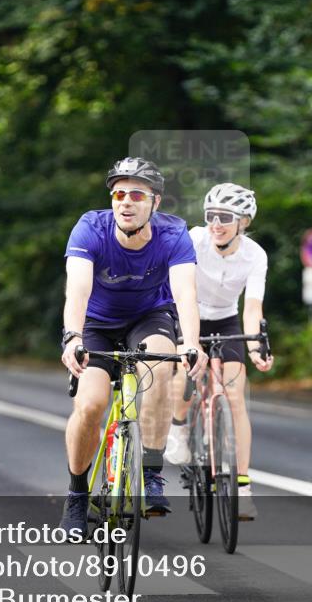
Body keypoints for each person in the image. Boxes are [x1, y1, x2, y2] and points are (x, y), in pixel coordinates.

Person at [59, 157, 208, 537]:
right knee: (91, 404)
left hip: (149, 316)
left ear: (155, 202)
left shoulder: (174, 234)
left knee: (161, 367)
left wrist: (191, 343)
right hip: (97, 324)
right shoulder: (91, 228)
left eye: (136, 194)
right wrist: (73, 336)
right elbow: (77, 288)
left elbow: (185, 294)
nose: (126, 202)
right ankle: (77, 495)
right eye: (119, 193)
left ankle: (151, 472)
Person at [165, 183, 273, 520]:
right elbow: (178, 287)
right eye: (211, 215)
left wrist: (255, 345)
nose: (216, 223)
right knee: (186, 369)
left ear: (244, 221)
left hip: (227, 321)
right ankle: (179, 426)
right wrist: (188, 338)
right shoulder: (195, 240)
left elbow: (252, 308)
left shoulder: (255, 255)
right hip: (189, 314)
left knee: (236, 397)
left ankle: (242, 486)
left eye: (224, 217)